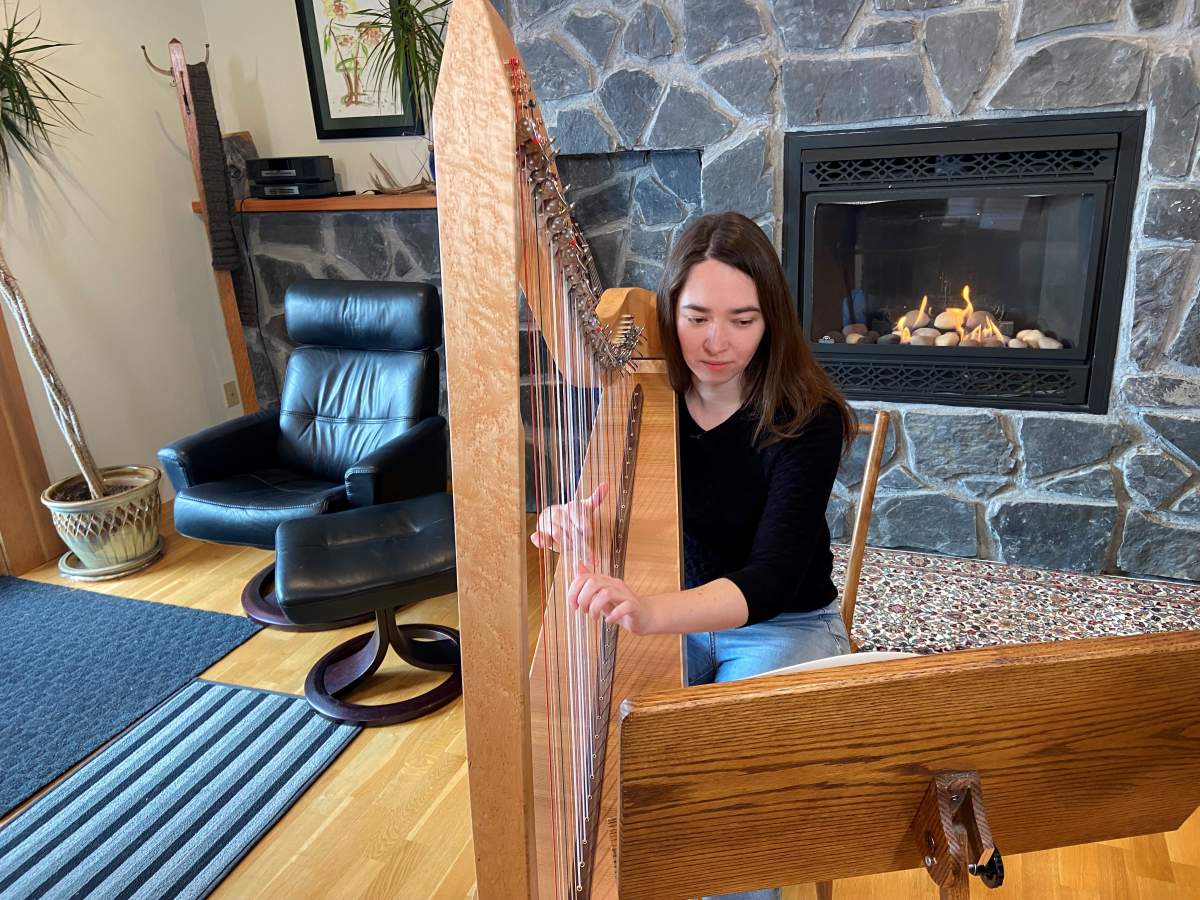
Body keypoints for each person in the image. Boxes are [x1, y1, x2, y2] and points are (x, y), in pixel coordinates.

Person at [532, 211, 856, 898]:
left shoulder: (808, 418)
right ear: (670, 310)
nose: (716, 341)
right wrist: (579, 527)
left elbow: (771, 580)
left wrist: (651, 612)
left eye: (743, 320)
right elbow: (624, 520)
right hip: (673, 613)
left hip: (782, 624)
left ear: (772, 321)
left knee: (726, 806)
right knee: (616, 782)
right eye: (698, 316)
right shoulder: (640, 396)